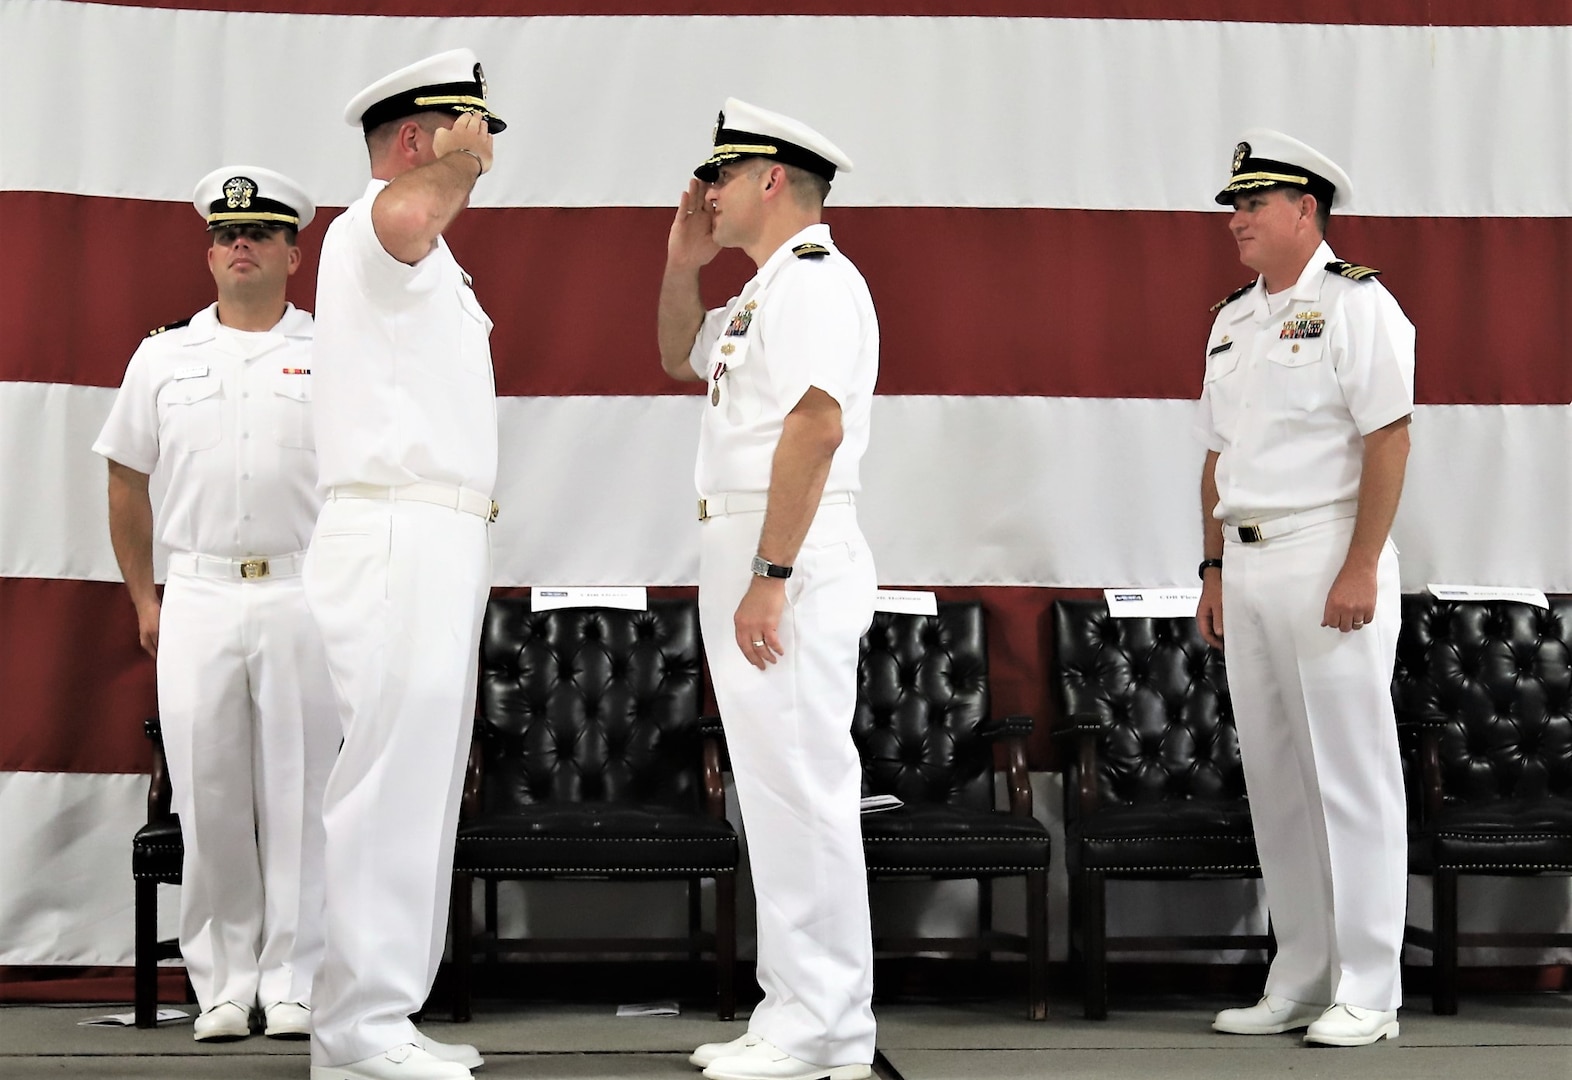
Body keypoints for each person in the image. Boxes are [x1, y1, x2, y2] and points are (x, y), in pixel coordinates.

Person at [657, 98, 879, 1080]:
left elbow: (819, 425)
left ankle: (825, 1024)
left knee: (803, 789)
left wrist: (771, 573)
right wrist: (680, 262)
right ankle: (795, 1009)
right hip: (748, 552)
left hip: (783, 557)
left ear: (771, 180)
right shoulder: (760, 292)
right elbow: (675, 353)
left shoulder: (819, 281)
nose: (708, 192)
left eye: (722, 176)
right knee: (776, 792)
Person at [93, 167, 335, 1043]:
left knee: (305, 795)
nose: (243, 244)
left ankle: (298, 977)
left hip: (304, 590)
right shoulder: (163, 356)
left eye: (262, 233)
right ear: (209, 251)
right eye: (228, 233)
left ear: (293, 253)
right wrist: (144, 596)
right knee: (211, 791)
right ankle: (226, 982)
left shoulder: (335, 350)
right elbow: (125, 477)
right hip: (196, 592)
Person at [304, 48, 502, 1080]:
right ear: (420, 137)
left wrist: (454, 166)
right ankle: (356, 1031)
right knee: (387, 783)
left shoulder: (428, 259)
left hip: (436, 537)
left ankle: (386, 1012)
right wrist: (452, 170)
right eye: (472, 127)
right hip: (394, 533)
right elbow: (407, 216)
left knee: (420, 782)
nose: (488, 146)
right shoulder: (372, 226)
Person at [1194, 129, 1414, 1047]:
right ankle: (1303, 973)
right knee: (1278, 780)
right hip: (1245, 562)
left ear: (1305, 210)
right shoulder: (1233, 318)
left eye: (1253, 203)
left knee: (1351, 778)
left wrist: (1362, 563)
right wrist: (1208, 567)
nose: (1237, 219)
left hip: (1328, 551)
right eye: (1234, 206)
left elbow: (1388, 438)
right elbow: (1216, 457)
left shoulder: (1357, 303)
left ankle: (1370, 988)